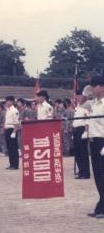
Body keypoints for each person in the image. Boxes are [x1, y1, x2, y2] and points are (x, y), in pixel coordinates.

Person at [88, 76, 104, 219]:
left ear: (102, 86)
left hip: (102, 143)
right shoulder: (95, 103)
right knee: (98, 176)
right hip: (94, 142)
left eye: (95, 86)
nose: (93, 88)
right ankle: (101, 206)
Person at [73, 90, 90, 179]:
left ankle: (86, 173)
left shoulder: (86, 107)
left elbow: (87, 119)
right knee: (77, 152)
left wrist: (86, 131)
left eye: (78, 96)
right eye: (76, 96)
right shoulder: (77, 106)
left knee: (83, 152)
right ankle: (81, 171)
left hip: (82, 130)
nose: (77, 98)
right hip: (76, 130)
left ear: (82, 96)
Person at [3, 96, 20, 170]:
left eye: (8, 101)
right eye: (6, 101)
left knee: (14, 148)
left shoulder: (14, 110)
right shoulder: (8, 110)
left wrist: (14, 132)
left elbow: (16, 122)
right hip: (7, 129)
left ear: (12, 102)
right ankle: (11, 164)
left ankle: (15, 165)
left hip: (12, 130)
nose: (7, 102)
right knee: (9, 148)